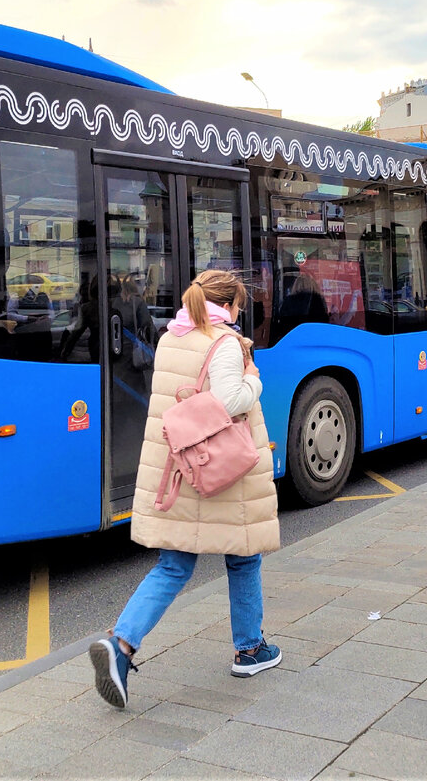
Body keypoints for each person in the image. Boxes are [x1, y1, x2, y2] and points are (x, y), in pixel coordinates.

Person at [90, 269, 280, 709]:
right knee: (244, 554)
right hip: (221, 469)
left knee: (174, 566)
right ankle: (250, 650)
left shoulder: (172, 336)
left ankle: (121, 645)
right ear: (228, 305)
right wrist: (255, 381)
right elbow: (231, 400)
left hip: (179, 469)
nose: (239, 315)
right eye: (238, 307)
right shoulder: (225, 343)